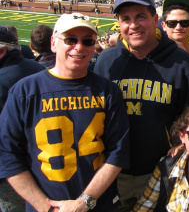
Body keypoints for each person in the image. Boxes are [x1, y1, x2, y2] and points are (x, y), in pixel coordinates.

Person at [0, 13, 130, 212]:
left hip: (97, 205)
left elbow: (117, 153)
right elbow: (7, 156)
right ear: (53, 43)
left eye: (87, 41)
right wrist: (46, 208)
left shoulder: (108, 91)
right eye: (70, 39)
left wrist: (84, 202)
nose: (79, 47)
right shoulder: (24, 91)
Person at [94, 0, 189, 211]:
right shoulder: (106, 61)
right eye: (126, 19)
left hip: (161, 172)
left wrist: (180, 145)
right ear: (118, 24)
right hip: (111, 174)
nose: (133, 25)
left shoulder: (182, 63)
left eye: (141, 17)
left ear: (155, 20)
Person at [0, 25, 45, 212]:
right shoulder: (37, 68)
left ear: (2, 51)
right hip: (42, 164)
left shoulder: (3, 80)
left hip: (12, 174)